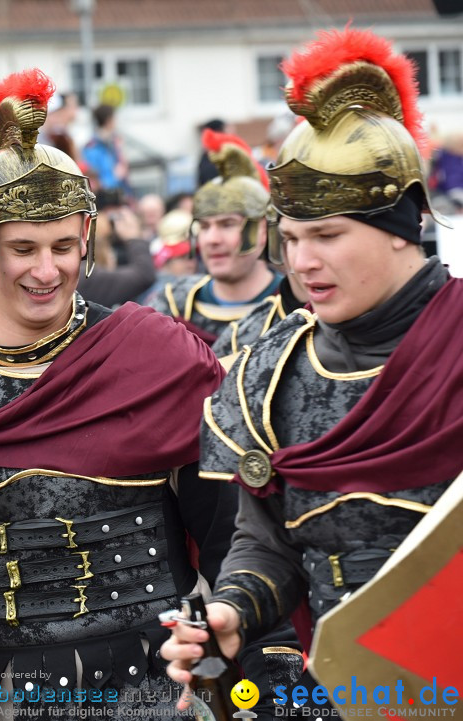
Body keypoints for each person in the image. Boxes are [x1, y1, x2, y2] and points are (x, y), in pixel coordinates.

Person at [0, 69, 234, 720]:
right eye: (23, 248)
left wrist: (238, 677)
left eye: (64, 246)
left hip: (161, 683)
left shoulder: (154, 360)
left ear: (86, 239)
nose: (46, 270)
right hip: (2, 694)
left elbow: (232, 542)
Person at [161, 27, 462, 704]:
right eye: (291, 238)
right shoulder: (269, 371)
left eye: (327, 236)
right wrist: (232, 609)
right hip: (335, 694)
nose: (301, 262)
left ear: (404, 226)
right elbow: (265, 540)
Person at [146, 129, 281, 349]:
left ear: (263, 229)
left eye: (227, 225)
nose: (211, 239)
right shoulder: (171, 304)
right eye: (205, 226)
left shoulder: (294, 306)